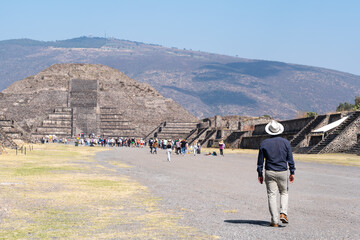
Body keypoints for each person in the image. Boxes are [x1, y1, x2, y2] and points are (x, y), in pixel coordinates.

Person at [257, 120, 296, 227]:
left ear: (269, 131)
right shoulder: (286, 143)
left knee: (271, 195)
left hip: (269, 171)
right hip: (283, 171)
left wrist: (260, 174)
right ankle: (283, 212)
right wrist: (292, 172)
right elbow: (290, 159)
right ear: (279, 130)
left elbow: (260, 161)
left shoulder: (264, 143)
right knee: (284, 192)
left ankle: (274, 220)